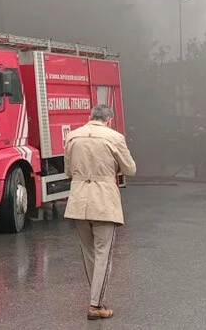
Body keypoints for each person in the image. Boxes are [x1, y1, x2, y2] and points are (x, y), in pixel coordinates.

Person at [63, 104, 137, 320]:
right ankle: (96, 305)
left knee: (89, 255)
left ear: (90, 117)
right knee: (103, 254)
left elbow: (68, 171)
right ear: (109, 120)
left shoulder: (72, 137)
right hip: (103, 201)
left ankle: (97, 299)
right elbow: (130, 169)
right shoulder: (114, 137)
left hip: (78, 200)